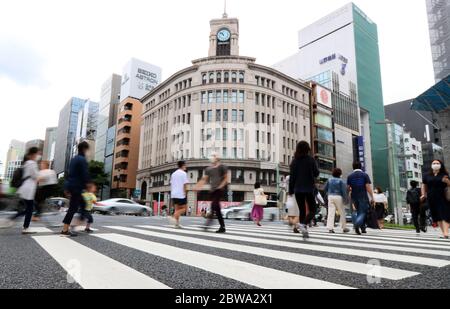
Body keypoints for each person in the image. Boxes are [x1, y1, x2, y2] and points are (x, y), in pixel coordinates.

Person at [289, 141, 320, 239]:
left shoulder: (294, 161)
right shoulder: (310, 160)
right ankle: (303, 224)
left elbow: (292, 178)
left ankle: (304, 230)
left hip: (297, 189)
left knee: (302, 210)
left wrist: (290, 190)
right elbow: (316, 173)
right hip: (308, 188)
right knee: (313, 210)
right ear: (307, 149)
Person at [61, 141, 91, 237]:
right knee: (73, 208)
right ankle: (66, 229)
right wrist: (89, 184)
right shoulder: (82, 159)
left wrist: (66, 187)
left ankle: (75, 224)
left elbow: (69, 174)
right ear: (84, 149)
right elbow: (85, 174)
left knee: (82, 205)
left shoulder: (73, 159)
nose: (88, 152)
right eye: (87, 149)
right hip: (77, 187)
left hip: (72, 186)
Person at [195, 153, 229, 233]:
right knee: (217, 209)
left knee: (213, 205)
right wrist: (198, 186)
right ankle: (222, 227)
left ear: (217, 158)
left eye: (213, 156)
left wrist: (221, 186)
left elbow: (226, 178)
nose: (212, 158)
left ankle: (207, 224)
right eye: (212, 156)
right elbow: (204, 179)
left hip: (220, 190)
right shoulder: (208, 169)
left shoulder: (222, 167)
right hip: (213, 190)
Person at [12, 147, 41, 234]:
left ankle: (15, 219)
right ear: (34, 154)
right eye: (38, 154)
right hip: (28, 190)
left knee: (29, 208)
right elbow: (36, 177)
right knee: (30, 208)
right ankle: (25, 228)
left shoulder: (26, 163)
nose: (38, 156)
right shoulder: (32, 164)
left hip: (24, 189)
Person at [421, 160, 450, 239]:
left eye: (437, 163)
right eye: (434, 163)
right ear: (431, 165)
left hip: (443, 196)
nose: (436, 165)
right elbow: (423, 185)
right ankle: (443, 232)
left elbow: (449, 185)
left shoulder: (444, 175)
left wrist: (447, 181)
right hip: (431, 197)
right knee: (437, 216)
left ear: (440, 165)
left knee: (445, 214)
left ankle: (446, 232)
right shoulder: (426, 175)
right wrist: (423, 194)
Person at [347, 162, 374, 235]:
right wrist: (372, 196)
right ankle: (358, 224)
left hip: (353, 196)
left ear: (353, 167)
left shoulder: (350, 176)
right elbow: (367, 187)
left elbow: (348, 188)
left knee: (355, 211)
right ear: (361, 167)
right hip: (363, 196)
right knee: (362, 212)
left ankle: (362, 227)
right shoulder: (365, 175)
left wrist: (347, 195)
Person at [324, 168, 350, 234]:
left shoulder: (329, 180)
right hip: (338, 196)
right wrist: (346, 199)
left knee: (331, 212)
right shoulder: (341, 181)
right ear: (340, 174)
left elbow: (325, 188)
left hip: (330, 196)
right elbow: (343, 191)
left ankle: (330, 228)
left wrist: (328, 192)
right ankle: (344, 227)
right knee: (342, 212)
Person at [169, 161, 189, 228]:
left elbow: (171, 184)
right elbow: (185, 184)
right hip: (181, 194)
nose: (186, 167)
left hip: (174, 194)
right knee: (184, 208)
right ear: (183, 165)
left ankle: (177, 224)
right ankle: (173, 216)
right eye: (185, 165)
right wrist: (185, 193)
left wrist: (172, 193)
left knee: (177, 209)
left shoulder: (173, 174)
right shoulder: (183, 173)